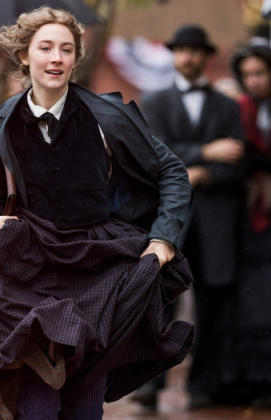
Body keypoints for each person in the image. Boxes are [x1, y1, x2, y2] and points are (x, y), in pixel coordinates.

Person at [0, 8, 194, 420]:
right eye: (45, 47)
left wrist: (163, 239)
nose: (57, 58)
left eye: (67, 49)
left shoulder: (107, 116)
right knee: (34, 395)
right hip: (31, 266)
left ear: (76, 58)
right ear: (25, 56)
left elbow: (172, 170)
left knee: (85, 398)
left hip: (99, 266)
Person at [140, 25, 245, 408]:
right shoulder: (153, 102)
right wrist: (207, 154)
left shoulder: (227, 106)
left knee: (213, 304)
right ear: (173, 55)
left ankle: (205, 385)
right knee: (160, 302)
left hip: (218, 222)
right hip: (170, 221)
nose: (188, 57)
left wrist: (202, 171)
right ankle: (151, 384)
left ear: (206, 56)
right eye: (181, 50)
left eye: (194, 50)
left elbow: (237, 164)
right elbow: (155, 154)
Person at [227, 44, 271, 406]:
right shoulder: (241, 109)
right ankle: (257, 380)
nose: (254, 81)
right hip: (252, 216)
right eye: (248, 75)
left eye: (261, 73)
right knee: (256, 301)